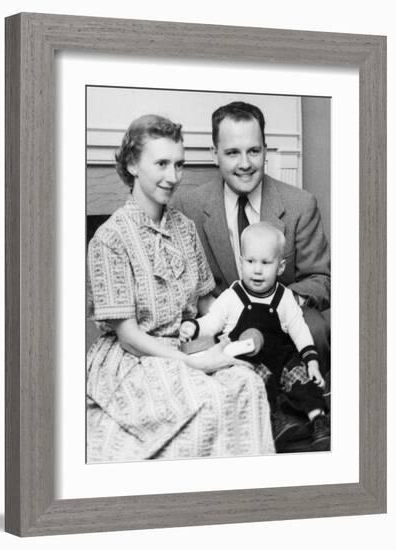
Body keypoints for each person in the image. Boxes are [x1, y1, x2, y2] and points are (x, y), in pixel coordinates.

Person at [87, 114, 275, 462]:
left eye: (179, 164)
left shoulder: (185, 228)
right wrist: (196, 364)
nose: (173, 177)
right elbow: (128, 336)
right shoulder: (109, 239)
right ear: (132, 164)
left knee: (247, 384)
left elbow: (206, 302)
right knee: (206, 399)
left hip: (189, 343)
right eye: (161, 164)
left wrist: (235, 331)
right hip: (136, 358)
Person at [171, 101, 330, 378]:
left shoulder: (301, 204)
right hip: (221, 317)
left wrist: (279, 302)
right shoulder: (188, 204)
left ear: (265, 151)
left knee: (315, 327)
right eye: (232, 152)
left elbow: (321, 279)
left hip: (281, 319)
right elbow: (180, 279)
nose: (245, 164)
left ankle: (301, 408)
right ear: (214, 154)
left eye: (254, 151)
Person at [180, 222, 330, 451]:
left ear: (280, 267)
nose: (257, 270)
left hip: (282, 357)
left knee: (303, 382)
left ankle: (318, 420)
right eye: (250, 262)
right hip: (248, 362)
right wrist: (194, 327)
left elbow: (299, 330)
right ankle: (274, 422)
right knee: (259, 386)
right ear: (241, 263)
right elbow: (212, 321)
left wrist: (311, 361)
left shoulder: (284, 297)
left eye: (265, 263)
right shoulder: (233, 296)